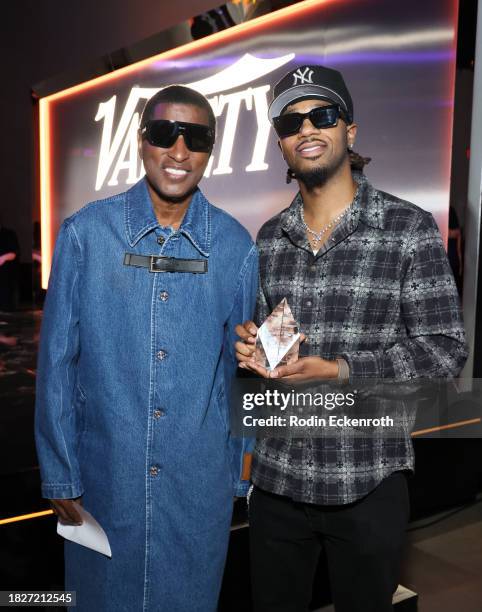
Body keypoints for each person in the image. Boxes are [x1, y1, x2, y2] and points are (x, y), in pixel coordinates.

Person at [235, 65, 468, 612]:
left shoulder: (407, 228)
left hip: (368, 478)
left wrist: (339, 369)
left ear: (350, 131)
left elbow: (444, 349)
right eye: (292, 123)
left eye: (323, 114)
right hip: (277, 483)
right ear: (282, 145)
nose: (308, 129)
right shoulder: (269, 239)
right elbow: (276, 342)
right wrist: (255, 349)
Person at [35, 85, 258, 612]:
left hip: (197, 492)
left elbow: (240, 375)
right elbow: (57, 365)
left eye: (196, 138)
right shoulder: (87, 234)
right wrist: (60, 471)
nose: (178, 151)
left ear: (210, 149)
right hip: (103, 484)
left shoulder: (236, 248)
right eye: (164, 133)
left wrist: (238, 474)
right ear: (142, 141)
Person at [0, 219, 20, 311]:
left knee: (6, 299)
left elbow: (14, 253)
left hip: (7, 275)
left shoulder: (8, 234)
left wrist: (2, 258)